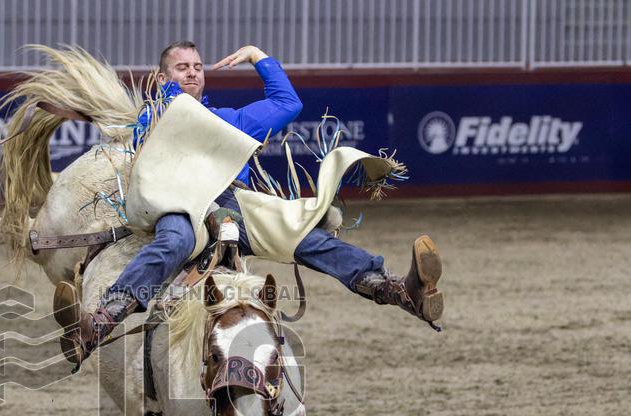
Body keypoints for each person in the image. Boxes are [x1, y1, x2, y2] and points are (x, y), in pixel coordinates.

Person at [56, 41, 443, 365]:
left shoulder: (229, 120)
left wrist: (259, 56)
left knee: (304, 236)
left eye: (198, 67)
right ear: (162, 78)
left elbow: (287, 103)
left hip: (232, 203)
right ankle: (100, 323)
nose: (192, 73)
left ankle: (395, 289)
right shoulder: (153, 117)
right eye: (182, 68)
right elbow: (159, 122)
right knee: (174, 241)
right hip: (177, 200)